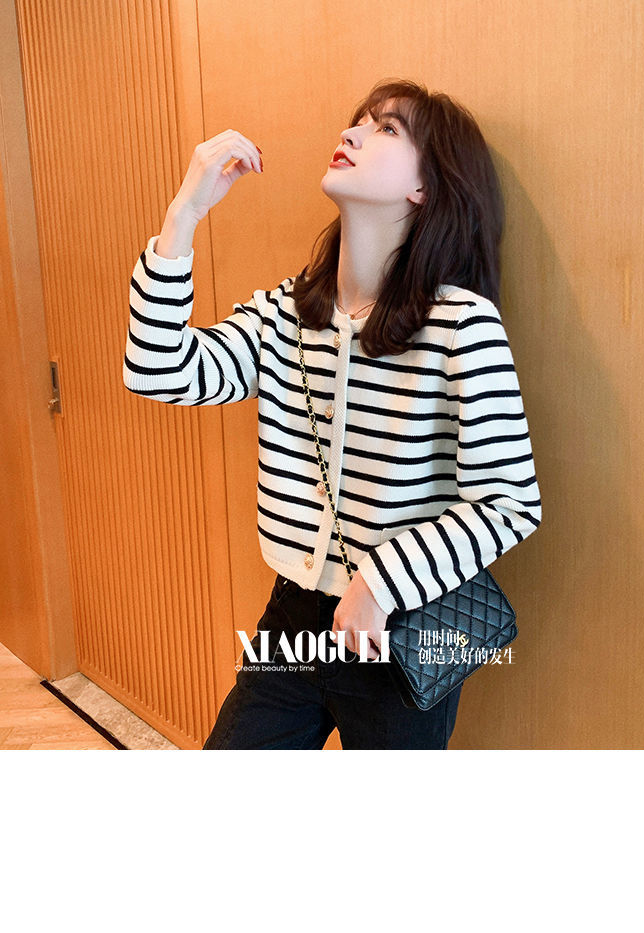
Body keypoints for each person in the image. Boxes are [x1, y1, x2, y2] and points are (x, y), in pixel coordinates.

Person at [123, 77, 542, 749]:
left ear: (424, 187)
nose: (350, 133)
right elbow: (156, 370)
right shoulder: (287, 314)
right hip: (293, 615)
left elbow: (509, 501)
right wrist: (184, 214)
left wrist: (379, 583)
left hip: (406, 624)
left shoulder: (462, 324)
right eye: (359, 121)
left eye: (386, 128)